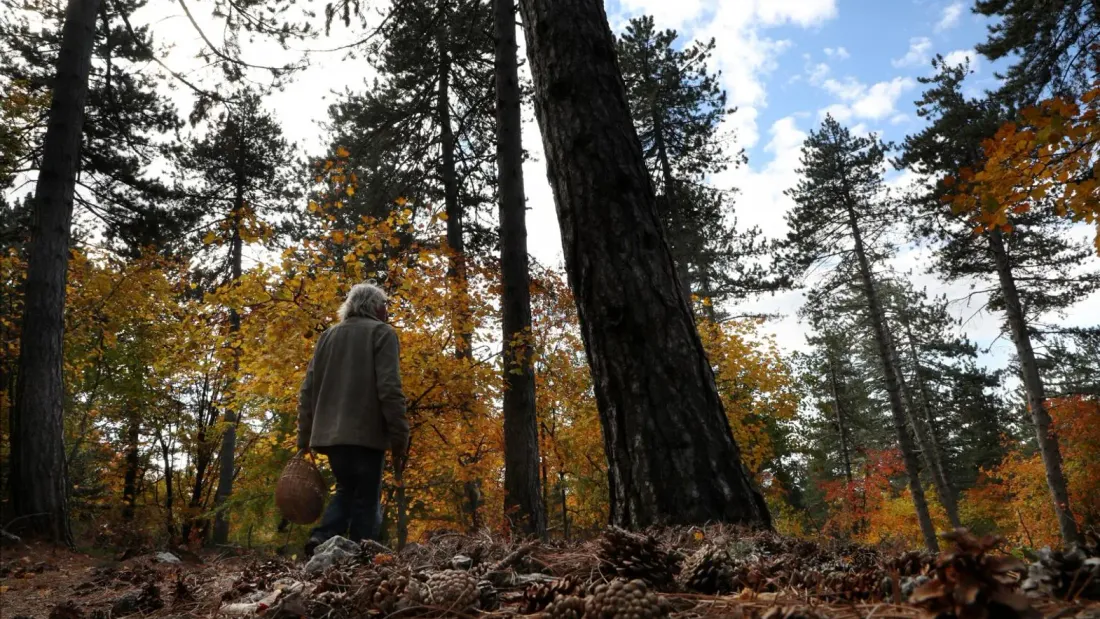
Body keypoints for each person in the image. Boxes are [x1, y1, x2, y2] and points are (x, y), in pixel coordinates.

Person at [297, 282, 410, 555]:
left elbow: (308, 389)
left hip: (331, 435)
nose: (387, 311)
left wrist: (304, 436)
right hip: (366, 433)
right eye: (384, 305)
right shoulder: (382, 334)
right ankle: (363, 554)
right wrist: (400, 434)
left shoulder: (328, 336)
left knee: (347, 489)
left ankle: (323, 538)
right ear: (373, 306)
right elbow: (389, 388)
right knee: (367, 497)